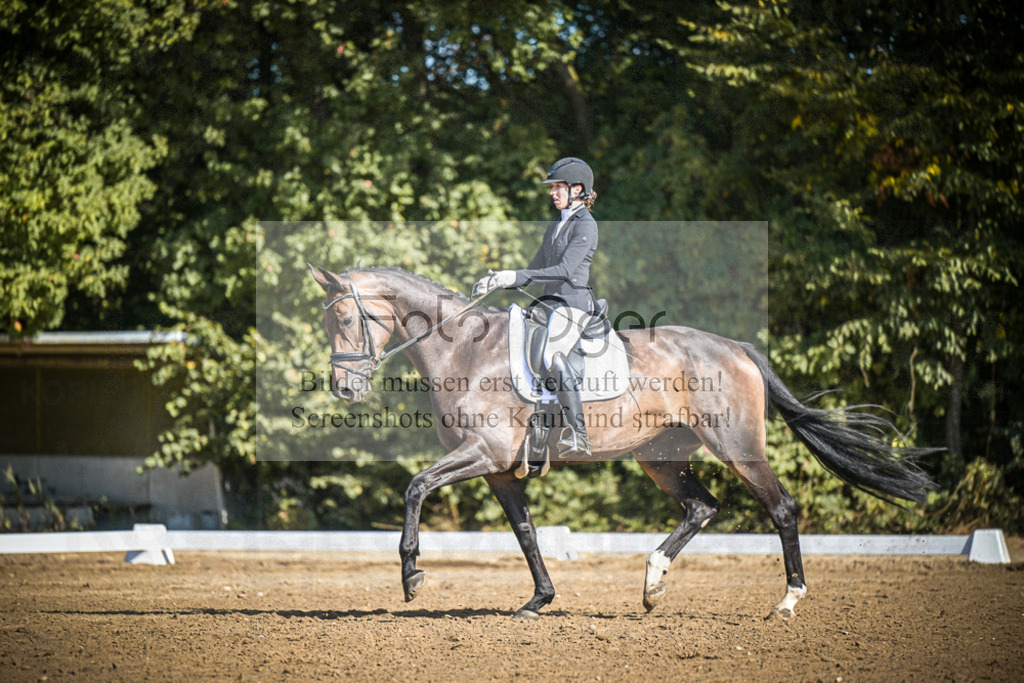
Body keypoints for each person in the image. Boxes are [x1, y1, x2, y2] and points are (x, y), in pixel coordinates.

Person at [475, 157, 600, 457]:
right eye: (553, 187)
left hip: (573, 304)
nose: (552, 193)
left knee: (552, 354)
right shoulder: (556, 224)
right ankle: (535, 426)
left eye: (558, 187)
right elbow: (536, 268)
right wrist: (498, 281)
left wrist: (517, 276)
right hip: (548, 304)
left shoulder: (586, 225)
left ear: (578, 189)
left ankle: (579, 433)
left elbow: (566, 270)